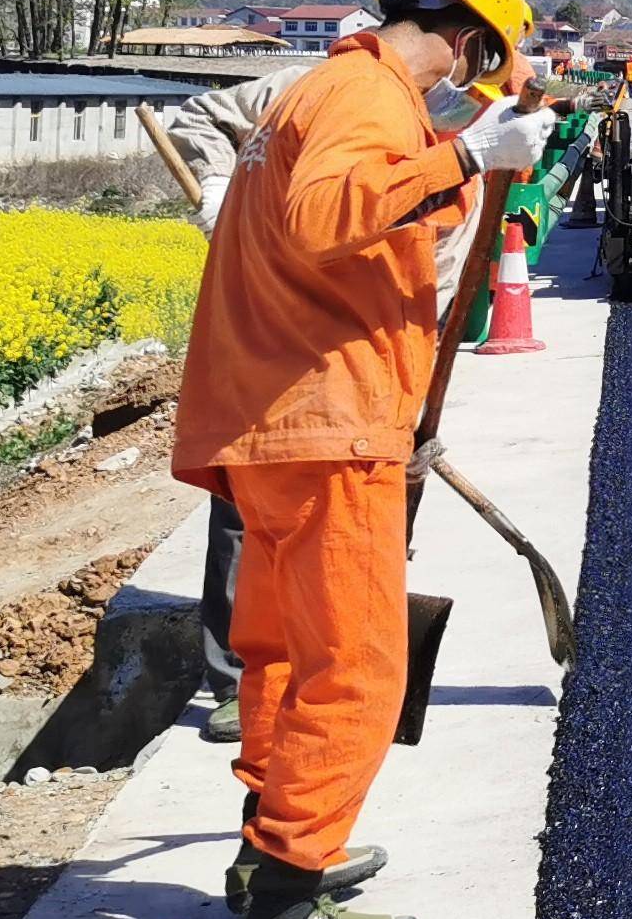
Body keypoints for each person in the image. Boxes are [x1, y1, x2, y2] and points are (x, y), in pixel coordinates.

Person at [168, 0, 553, 919]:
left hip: (278, 416)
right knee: (359, 664)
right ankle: (285, 907)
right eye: (478, 63)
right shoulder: (370, 100)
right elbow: (327, 215)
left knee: (284, 652)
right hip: (323, 420)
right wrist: (472, 155)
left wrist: (471, 157)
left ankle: (272, 850)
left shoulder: (320, 91)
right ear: (467, 40)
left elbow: (369, 223)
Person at [158, 59, 490, 746]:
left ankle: (294, 709)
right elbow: (203, 118)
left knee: (333, 549)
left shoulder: (461, 158)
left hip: (348, 364)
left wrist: (407, 410)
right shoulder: (311, 89)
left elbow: (435, 293)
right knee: (248, 514)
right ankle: (236, 683)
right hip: (265, 333)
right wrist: (221, 194)